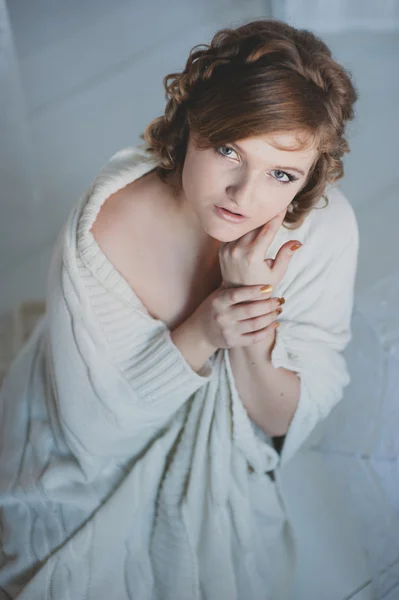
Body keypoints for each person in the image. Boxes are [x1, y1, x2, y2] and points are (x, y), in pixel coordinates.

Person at [0, 18, 359, 600]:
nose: (244, 194)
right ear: (190, 125)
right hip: (93, 443)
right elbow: (91, 434)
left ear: (309, 178)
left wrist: (249, 321)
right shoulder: (109, 225)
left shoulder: (324, 233)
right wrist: (201, 331)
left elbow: (277, 423)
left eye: (282, 173)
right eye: (227, 149)